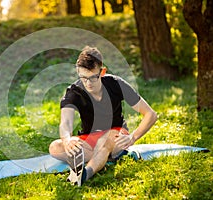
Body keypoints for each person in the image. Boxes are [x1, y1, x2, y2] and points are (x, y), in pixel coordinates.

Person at [49, 46, 157, 186]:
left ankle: (84, 175)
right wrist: (67, 139)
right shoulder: (73, 92)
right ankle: (112, 156)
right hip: (89, 138)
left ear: (102, 72)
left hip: (115, 134)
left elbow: (151, 114)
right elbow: (65, 123)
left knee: (104, 142)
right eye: (83, 78)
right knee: (55, 147)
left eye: (93, 77)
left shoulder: (116, 84)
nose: (88, 83)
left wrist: (133, 137)